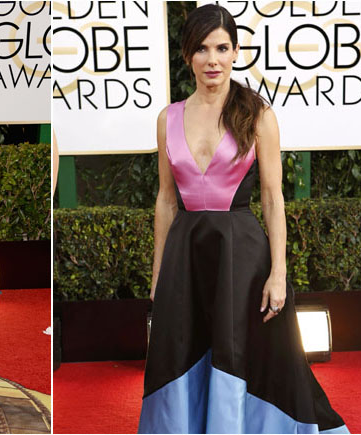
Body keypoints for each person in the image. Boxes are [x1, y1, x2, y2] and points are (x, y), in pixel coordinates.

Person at [138, 5, 348, 434]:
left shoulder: (258, 115)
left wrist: (279, 273)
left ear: (235, 52)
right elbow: (165, 200)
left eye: (221, 48)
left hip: (242, 256)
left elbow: (272, 197)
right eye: (201, 49)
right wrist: (158, 273)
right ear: (187, 55)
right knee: (181, 351)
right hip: (185, 257)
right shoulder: (167, 118)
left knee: (245, 353)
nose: (212, 60)